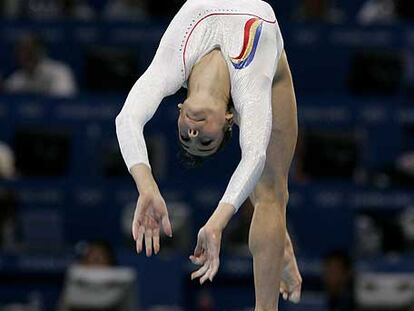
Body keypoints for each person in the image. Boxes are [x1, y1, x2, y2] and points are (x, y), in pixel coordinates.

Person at [115, 0, 302, 309]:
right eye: (205, 141)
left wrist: (146, 186)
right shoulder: (249, 85)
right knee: (271, 194)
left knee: (267, 191)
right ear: (230, 120)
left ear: (179, 110)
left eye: (185, 136)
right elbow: (253, 155)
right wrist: (217, 223)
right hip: (272, 63)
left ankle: (277, 239)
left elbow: (127, 118)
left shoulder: (173, 65)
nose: (194, 133)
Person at [3, 33, 77, 97]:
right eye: (22, 52)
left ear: (41, 51)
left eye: (30, 51)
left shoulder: (60, 72)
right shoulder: (16, 79)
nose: (26, 55)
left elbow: (63, 101)